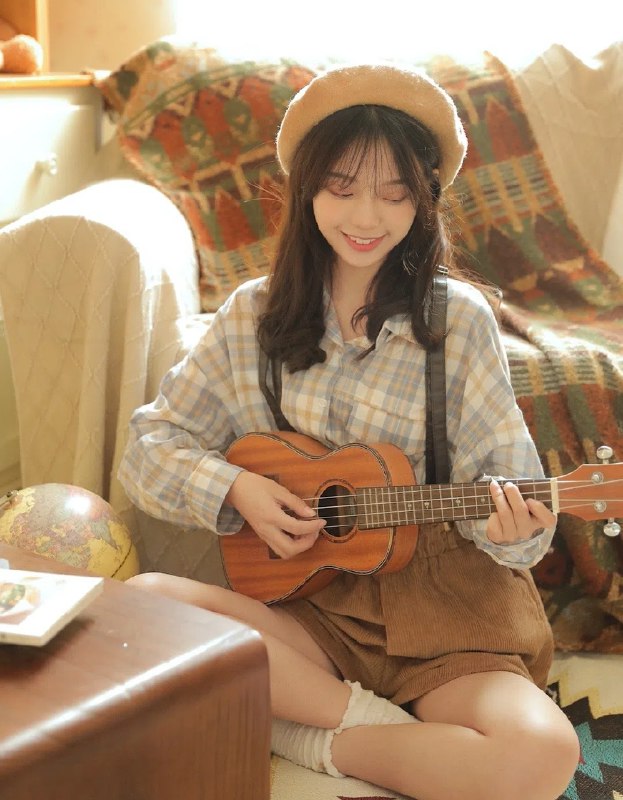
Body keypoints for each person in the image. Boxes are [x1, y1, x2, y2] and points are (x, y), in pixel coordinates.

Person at [118, 63, 580, 800]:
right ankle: (368, 726)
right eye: (341, 188)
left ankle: (313, 734)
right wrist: (236, 487)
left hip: (445, 612)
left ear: (423, 201)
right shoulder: (250, 316)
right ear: (306, 188)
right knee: (142, 600)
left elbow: (514, 504)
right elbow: (147, 449)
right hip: (313, 612)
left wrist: (516, 526)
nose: (366, 217)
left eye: (394, 194)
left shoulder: (458, 321)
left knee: (543, 754)